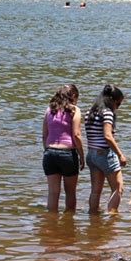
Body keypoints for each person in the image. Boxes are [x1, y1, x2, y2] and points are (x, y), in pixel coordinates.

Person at [42, 84, 85, 213]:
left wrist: (48, 151)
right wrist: (81, 156)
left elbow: (44, 135)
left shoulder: (49, 109)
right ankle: (69, 225)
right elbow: (76, 135)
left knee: (53, 193)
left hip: (49, 153)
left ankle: (51, 224)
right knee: (70, 193)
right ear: (73, 96)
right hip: (67, 154)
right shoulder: (74, 110)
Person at [85, 84, 126, 214]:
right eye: (118, 104)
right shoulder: (107, 113)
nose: (117, 108)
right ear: (112, 100)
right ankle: (112, 221)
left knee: (95, 191)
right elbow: (107, 136)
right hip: (104, 154)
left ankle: (94, 219)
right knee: (118, 188)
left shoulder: (90, 112)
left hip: (91, 155)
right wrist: (120, 155)